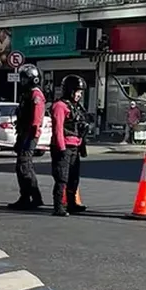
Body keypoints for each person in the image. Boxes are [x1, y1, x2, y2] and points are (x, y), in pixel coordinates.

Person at [50, 75, 89, 217]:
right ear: (70, 90)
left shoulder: (74, 106)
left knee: (74, 177)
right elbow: (58, 128)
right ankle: (59, 206)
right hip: (64, 146)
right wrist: (61, 148)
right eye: (77, 91)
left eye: (80, 92)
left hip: (75, 146)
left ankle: (72, 203)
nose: (79, 95)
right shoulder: (59, 106)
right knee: (62, 177)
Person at [8, 65, 46, 210]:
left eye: (24, 79)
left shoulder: (36, 95)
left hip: (30, 134)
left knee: (24, 166)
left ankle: (29, 197)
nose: (22, 82)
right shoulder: (27, 94)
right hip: (23, 133)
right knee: (24, 166)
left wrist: (31, 136)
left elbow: (36, 119)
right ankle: (31, 197)